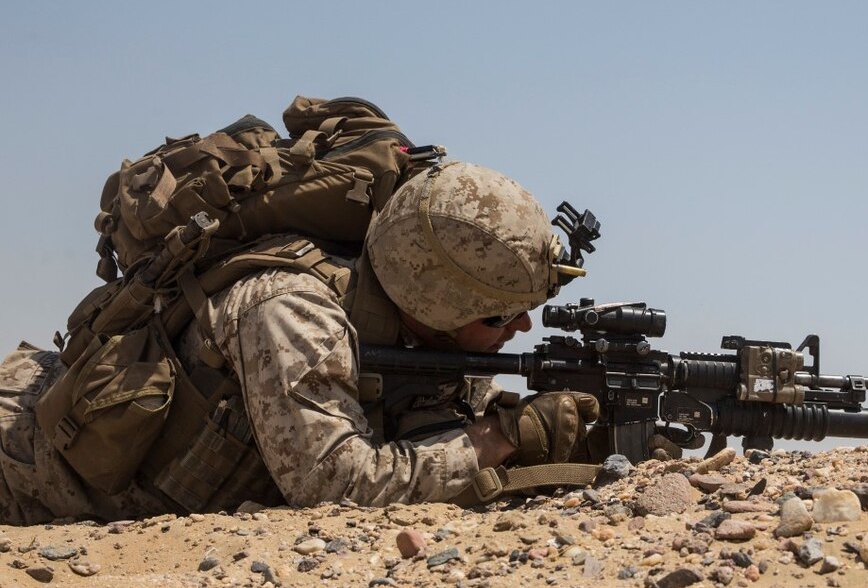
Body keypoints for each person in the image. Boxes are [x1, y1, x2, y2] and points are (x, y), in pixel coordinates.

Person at [0, 160, 601, 525]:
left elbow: (439, 420)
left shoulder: (411, 320)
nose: (521, 329)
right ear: (434, 305)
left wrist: (578, 438)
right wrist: (496, 440)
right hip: (25, 474)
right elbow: (335, 486)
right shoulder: (290, 312)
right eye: (501, 317)